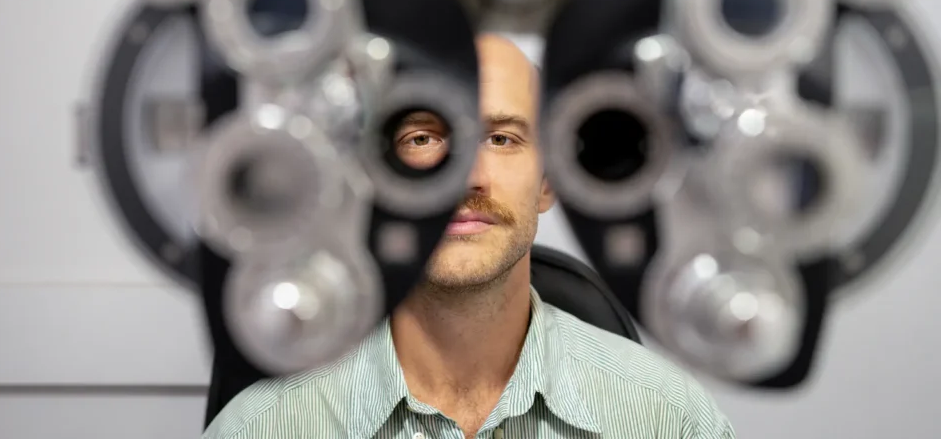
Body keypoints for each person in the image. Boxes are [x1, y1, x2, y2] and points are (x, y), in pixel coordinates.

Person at [203, 34, 736, 439]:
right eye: (424, 138)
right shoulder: (262, 427)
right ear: (377, 176)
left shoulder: (669, 419)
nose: (468, 174)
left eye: (502, 138)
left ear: (550, 179)